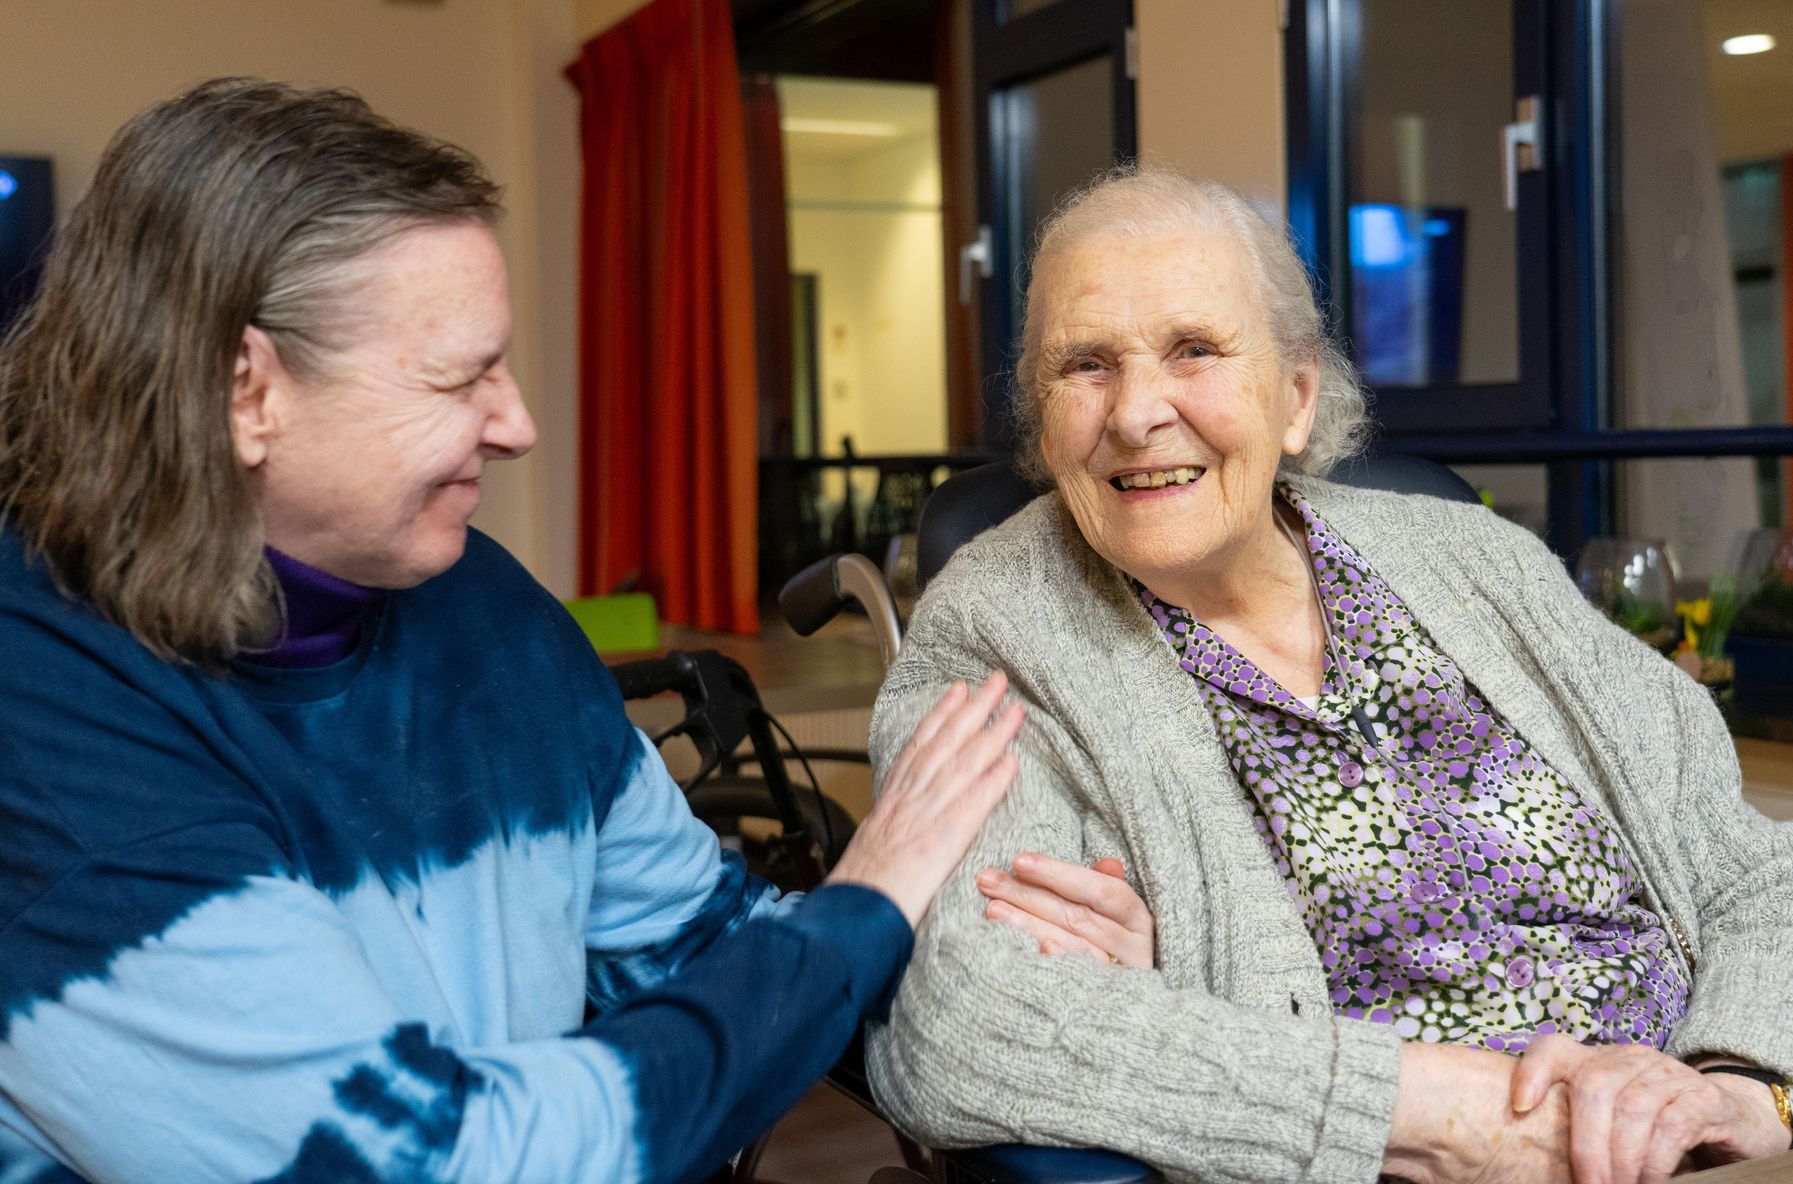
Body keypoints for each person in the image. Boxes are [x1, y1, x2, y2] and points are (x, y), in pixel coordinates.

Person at [0, 78, 1142, 1184]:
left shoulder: (482, 608)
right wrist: (866, 904)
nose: (520, 423)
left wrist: (1026, 964)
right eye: (460, 378)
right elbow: (442, 1159)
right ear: (246, 390)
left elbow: (707, 941)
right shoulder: (45, 723)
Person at [866, 167, 1793, 1184]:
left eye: (1194, 350)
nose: (1138, 411)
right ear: (1041, 418)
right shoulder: (1001, 626)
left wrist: (1745, 1087)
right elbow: (959, 1019)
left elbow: (1768, 877)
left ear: (1296, 395)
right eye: (1085, 364)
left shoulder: (1476, 562)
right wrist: (1433, 1115)